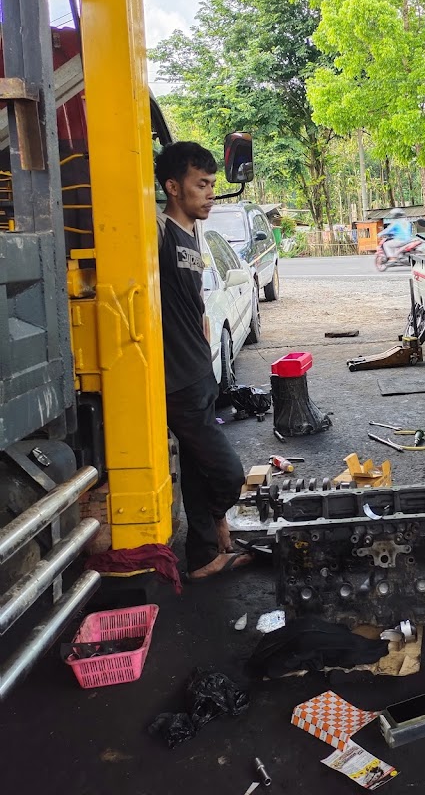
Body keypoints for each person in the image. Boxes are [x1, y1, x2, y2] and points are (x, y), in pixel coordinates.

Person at [155, 141, 251, 581]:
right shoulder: (156, 233)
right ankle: (215, 524)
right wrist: (222, 511)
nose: (211, 193)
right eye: (202, 184)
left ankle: (203, 558)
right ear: (173, 187)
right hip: (177, 382)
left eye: (213, 184)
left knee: (196, 472)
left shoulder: (191, 234)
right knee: (230, 475)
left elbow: (192, 302)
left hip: (199, 372)